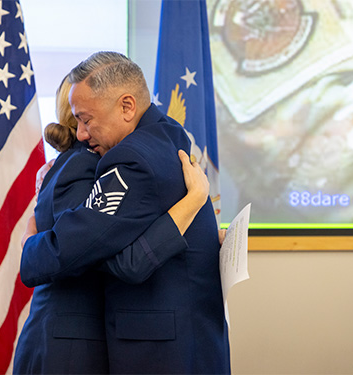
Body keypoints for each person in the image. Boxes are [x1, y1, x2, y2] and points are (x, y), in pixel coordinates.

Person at [19, 52, 230, 374]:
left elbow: (80, 250)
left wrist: (29, 245)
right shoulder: (169, 133)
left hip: (162, 352)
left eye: (86, 119)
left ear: (127, 106)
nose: (81, 134)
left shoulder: (133, 159)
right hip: (189, 339)